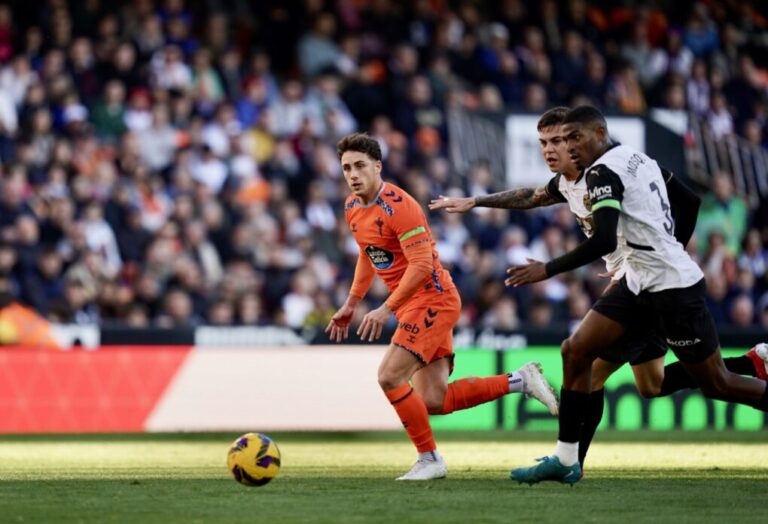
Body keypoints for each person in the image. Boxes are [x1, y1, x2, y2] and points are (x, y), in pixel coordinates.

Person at [430, 107, 768, 473]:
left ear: (590, 135)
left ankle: (569, 461)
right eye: (545, 142)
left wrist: (659, 250)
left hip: (660, 285)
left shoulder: (603, 174)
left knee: (598, 365)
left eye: (562, 140)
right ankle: (750, 363)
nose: (553, 149)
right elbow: (531, 196)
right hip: (639, 282)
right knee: (648, 384)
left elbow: (623, 230)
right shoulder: (585, 176)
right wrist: (477, 201)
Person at [325, 133, 559, 481]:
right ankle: (520, 380)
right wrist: (351, 303)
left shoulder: (400, 206)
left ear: (378, 166)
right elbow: (367, 254)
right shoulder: (351, 207)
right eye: (346, 168)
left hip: (432, 299)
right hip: (412, 306)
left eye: (360, 166)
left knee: (389, 376)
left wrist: (385, 309)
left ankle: (430, 458)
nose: (353, 174)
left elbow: (420, 267)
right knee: (433, 400)